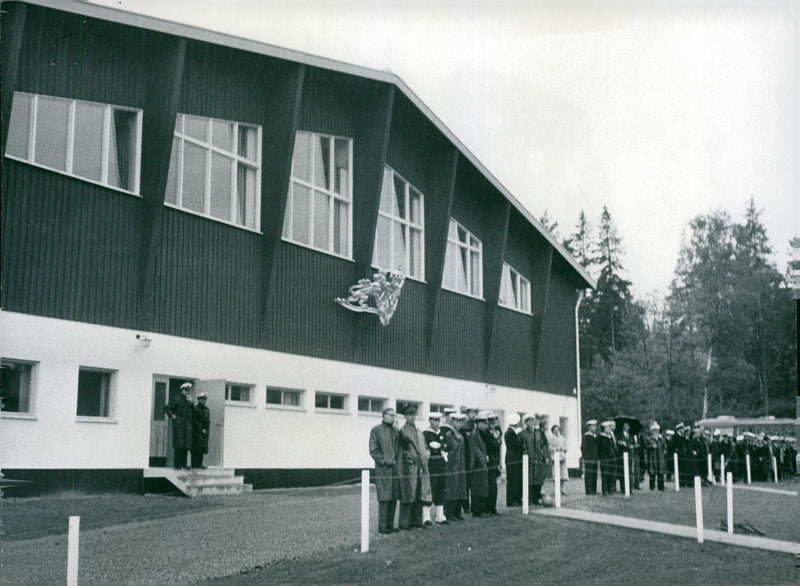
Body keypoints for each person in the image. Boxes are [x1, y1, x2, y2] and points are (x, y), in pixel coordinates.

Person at [397, 405, 432, 530]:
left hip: (420, 467)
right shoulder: (403, 431)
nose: (412, 417)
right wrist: (409, 457)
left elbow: (424, 445)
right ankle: (404, 523)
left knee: (419, 494)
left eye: (413, 415)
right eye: (409, 415)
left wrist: (427, 452)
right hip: (409, 467)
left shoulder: (418, 431)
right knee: (408, 494)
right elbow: (402, 449)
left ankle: (416, 521)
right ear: (405, 416)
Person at [369, 407, 400, 534]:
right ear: (384, 416)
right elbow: (373, 450)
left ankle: (390, 524)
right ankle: (382, 526)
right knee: (384, 498)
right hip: (383, 469)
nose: (393, 418)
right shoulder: (376, 430)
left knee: (393, 497)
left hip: (394, 469)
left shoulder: (395, 431)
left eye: (394, 415)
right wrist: (385, 461)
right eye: (391, 415)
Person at [422, 412, 449, 525]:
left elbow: (445, 447)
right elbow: (426, 448)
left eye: (438, 420)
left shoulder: (442, 433)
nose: (436, 423)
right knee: (430, 488)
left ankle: (440, 515)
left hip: (441, 464)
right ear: (430, 421)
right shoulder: (425, 434)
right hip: (431, 465)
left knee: (440, 487)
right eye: (434, 420)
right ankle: (426, 516)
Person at [442, 412, 467, 521]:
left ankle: (458, 511)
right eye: (457, 421)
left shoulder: (461, 436)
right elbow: (447, 450)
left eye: (461, 421)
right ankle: (449, 513)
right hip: (451, 466)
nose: (459, 424)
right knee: (451, 489)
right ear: (452, 422)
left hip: (460, 466)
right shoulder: (448, 435)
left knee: (460, 488)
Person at [519, 413, 549, 505]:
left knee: (538, 480)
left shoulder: (538, 433)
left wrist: (544, 456)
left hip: (538, 459)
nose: (532, 422)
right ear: (526, 422)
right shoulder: (522, 434)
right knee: (529, 480)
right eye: (529, 420)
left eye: (533, 420)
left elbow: (544, 444)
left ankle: (536, 498)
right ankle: (528, 499)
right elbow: (521, 447)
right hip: (529, 460)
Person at [164, 382, 194, 470]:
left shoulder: (189, 400)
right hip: (179, 425)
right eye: (185, 390)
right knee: (178, 444)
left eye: (188, 391)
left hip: (187, 425)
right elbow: (167, 408)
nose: (187, 392)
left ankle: (183, 464)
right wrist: (172, 416)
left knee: (186, 445)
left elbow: (193, 412)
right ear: (182, 390)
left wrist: (191, 403)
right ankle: (177, 464)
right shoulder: (177, 398)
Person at [466, 411, 490, 517]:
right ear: (478, 423)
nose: (486, 425)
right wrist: (474, 465)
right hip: (476, 466)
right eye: (484, 423)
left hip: (481, 465)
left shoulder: (481, 434)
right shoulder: (473, 435)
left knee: (482, 488)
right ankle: (477, 511)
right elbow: (473, 451)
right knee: (477, 488)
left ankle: (481, 509)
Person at [483, 412, 503, 515]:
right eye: (491, 422)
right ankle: (488, 508)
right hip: (489, 462)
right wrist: (497, 439)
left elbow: (498, 449)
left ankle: (493, 507)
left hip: (494, 462)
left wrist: (499, 463)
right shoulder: (486, 433)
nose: (493, 424)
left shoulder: (494, 433)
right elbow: (494, 446)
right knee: (490, 486)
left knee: (494, 486)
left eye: (494, 422)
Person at [504, 412, 524, 506]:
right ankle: (511, 500)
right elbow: (517, 445)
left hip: (514, 458)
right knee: (512, 480)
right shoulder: (510, 433)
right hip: (512, 458)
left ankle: (516, 498)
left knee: (516, 479)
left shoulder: (510, 433)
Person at [642, 421, 666, 490]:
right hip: (652, 458)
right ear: (652, 431)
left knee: (660, 473)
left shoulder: (661, 439)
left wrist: (664, 451)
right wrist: (651, 446)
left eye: (657, 431)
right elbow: (645, 446)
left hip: (660, 458)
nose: (656, 432)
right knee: (652, 473)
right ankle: (652, 487)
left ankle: (661, 487)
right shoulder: (648, 439)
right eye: (654, 431)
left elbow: (664, 447)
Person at [597, 420, 617, 496]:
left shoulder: (610, 436)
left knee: (611, 473)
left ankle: (610, 489)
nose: (609, 429)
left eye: (609, 427)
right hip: (604, 457)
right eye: (607, 427)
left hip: (611, 457)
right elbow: (600, 448)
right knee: (605, 474)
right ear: (604, 428)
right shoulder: (601, 437)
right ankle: (604, 490)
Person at [547, 423, 568, 496]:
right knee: (556, 474)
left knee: (563, 474)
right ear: (552, 430)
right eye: (555, 429)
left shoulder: (562, 437)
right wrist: (556, 448)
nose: (556, 431)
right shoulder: (550, 438)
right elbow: (549, 447)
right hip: (555, 458)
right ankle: (557, 489)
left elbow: (566, 446)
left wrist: (564, 449)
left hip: (562, 457)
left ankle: (561, 488)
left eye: (557, 429)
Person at [191, 392, 210, 469]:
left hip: (205, 431)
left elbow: (207, 420)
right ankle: (194, 464)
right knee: (196, 448)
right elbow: (195, 420)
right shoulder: (195, 408)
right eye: (202, 399)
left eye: (205, 399)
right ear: (199, 400)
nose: (204, 401)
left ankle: (200, 463)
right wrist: (201, 428)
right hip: (197, 431)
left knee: (202, 447)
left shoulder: (207, 409)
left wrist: (206, 429)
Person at [581, 420, 599, 495]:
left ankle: (593, 489)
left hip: (594, 457)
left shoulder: (593, 435)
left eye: (595, 426)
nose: (594, 427)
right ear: (589, 427)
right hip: (589, 458)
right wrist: (587, 456)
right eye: (593, 426)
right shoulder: (587, 436)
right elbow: (583, 447)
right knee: (589, 474)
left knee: (594, 474)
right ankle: (588, 490)